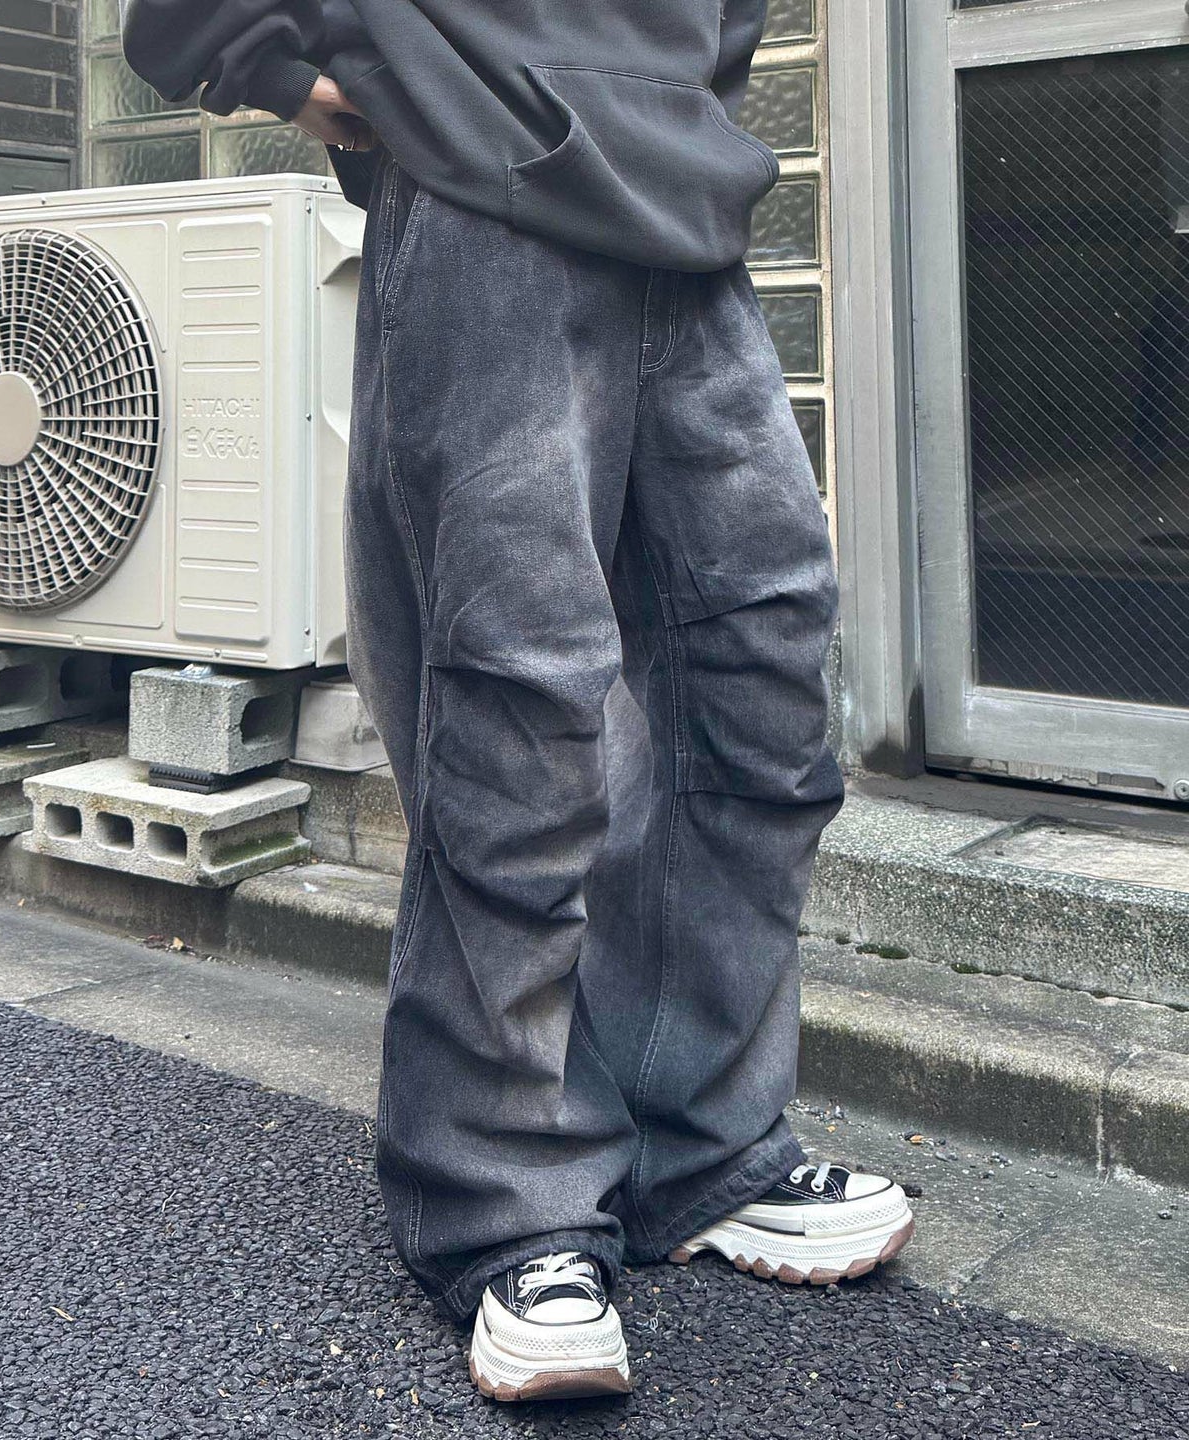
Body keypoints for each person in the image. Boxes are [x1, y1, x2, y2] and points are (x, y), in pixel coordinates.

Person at [121, 0, 914, 1403]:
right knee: (519, 705)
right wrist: (283, 65)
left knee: (761, 675)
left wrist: (677, 92)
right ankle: (507, 1199)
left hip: (684, 208)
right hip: (482, 189)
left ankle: (700, 1145)